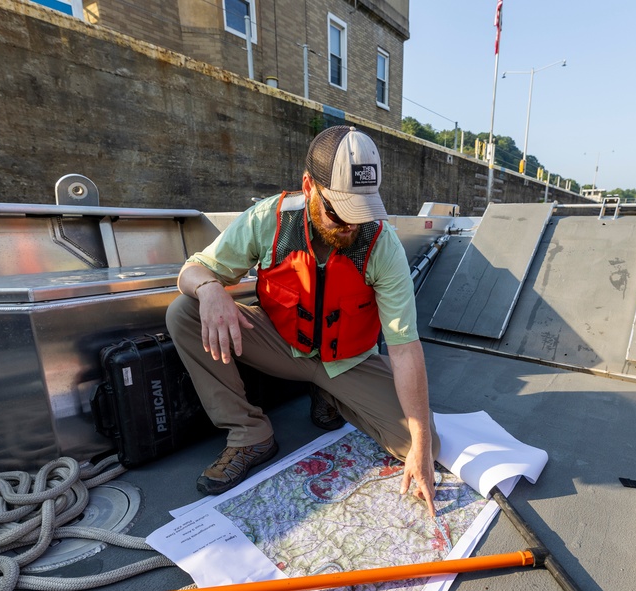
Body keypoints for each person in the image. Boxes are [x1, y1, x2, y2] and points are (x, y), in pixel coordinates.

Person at [165, 125, 440, 516]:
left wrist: (422, 444)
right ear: (309, 186)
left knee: (423, 445)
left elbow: (405, 347)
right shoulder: (268, 219)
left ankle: (330, 395)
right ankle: (250, 435)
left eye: (360, 213)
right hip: (281, 348)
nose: (350, 226)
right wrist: (210, 289)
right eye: (338, 211)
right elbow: (193, 269)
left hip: (348, 363)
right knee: (184, 311)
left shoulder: (383, 245)